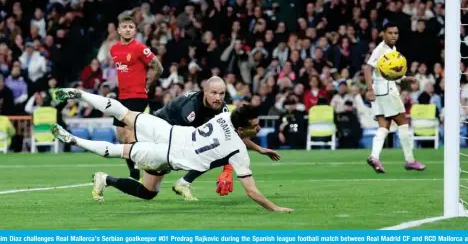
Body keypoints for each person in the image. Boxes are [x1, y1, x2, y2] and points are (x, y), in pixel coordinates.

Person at [52, 88, 292, 213]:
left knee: (123, 113)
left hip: (166, 130)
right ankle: (72, 139)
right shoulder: (238, 152)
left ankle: (80, 94)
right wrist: (276, 208)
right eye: (255, 125)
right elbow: (251, 191)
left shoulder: (226, 116)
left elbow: (238, 135)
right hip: (166, 155)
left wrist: (259, 149)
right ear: (242, 127)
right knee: (118, 151)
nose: (259, 127)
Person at [152, 76, 281, 201]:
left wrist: (259, 149)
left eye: (222, 94)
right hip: (160, 131)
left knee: (149, 191)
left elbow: (234, 135)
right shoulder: (190, 109)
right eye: (214, 93)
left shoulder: (222, 110)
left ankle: (182, 182)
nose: (218, 98)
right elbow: (186, 137)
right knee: (148, 189)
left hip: (177, 137)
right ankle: (156, 172)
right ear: (205, 92)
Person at [364, 23, 426, 173]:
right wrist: (369, 89)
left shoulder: (392, 49)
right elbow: (368, 68)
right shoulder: (380, 50)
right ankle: (410, 160)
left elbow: (389, 70)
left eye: (395, 33)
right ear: (383, 34)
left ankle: (374, 157)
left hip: (381, 91)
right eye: (390, 33)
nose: (393, 36)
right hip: (386, 90)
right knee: (403, 123)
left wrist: (404, 78)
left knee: (383, 126)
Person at [110, 15, 163, 180]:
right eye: (124, 26)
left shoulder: (140, 48)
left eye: (131, 27)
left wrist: (148, 82)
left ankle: (137, 169)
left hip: (137, 95)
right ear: (119, 30)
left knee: (128, 134)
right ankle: (134, 166)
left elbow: (158, 67)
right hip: (122, 96)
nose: (127, 29)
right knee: (120, 135)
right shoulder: (114, 49)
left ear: (135, 30)